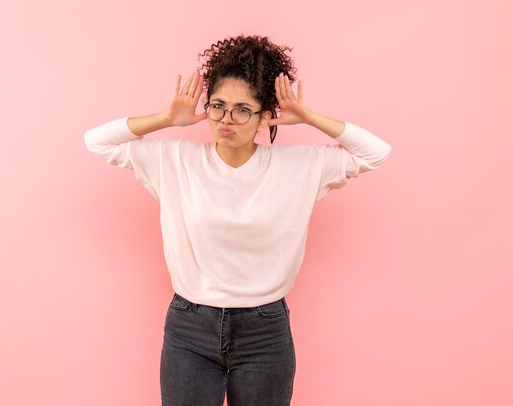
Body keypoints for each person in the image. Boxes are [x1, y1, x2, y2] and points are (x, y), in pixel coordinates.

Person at [83, 34, 392, 406]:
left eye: (243, 109)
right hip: (189, 326)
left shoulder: (300, 166)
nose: (226, 119)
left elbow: (376, 152)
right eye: (218, 105)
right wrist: (167, 118)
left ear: (265, 116)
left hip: (265, 331)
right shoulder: (175, 161)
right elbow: (97, 141)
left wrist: (309, 117)